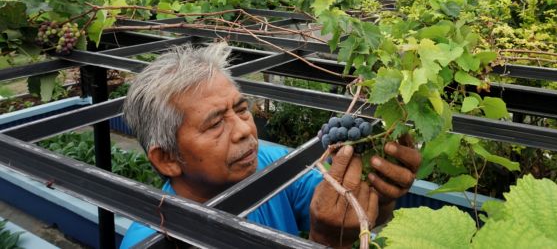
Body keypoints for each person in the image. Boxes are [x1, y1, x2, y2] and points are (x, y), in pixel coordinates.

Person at [119, 43, 421, 248]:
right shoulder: (153, 242)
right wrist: (325, 241)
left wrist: (379, 197)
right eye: (214, 124)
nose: (245, 130)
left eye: (241, 109)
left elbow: (346, 214)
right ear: (167, 158)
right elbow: (332, 230)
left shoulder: (273, 164)